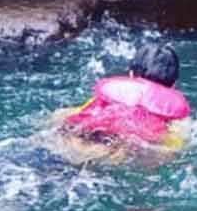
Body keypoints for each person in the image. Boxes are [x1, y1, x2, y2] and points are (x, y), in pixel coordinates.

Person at [53, 45, 190, 163]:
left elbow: (65, 116)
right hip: (124, 150)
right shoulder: (176, 119)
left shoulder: (108, 97)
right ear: (173, 84)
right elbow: (169, 153)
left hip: (76, 141)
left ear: (130, 74)